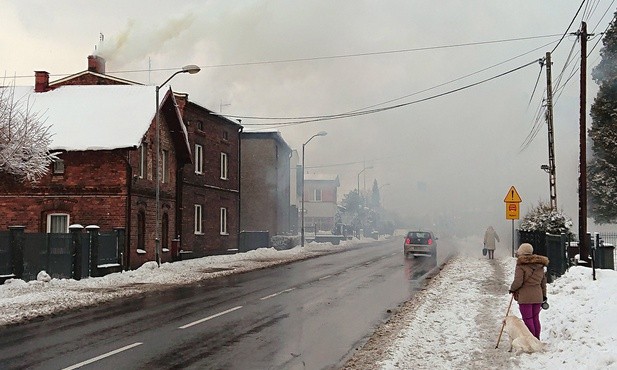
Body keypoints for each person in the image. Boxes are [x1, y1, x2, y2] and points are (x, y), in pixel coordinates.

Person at [509, 243, 549, 340]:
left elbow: (518, 281)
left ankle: (532, 340)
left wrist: (512, 289)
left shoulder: (521, 265)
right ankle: (537, 338)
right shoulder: (540, 265)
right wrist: (544, 296)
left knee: (528, 319)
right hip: (538, 296)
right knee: (535, 319)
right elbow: (543, 283)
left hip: (525, 296)